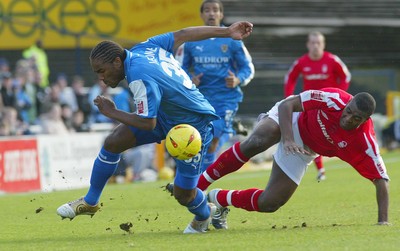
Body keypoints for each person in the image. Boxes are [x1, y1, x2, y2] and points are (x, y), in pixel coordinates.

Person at [56, 21, 254, 234]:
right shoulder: (145, 46)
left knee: (183, 194)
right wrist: (227, 31)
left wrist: (112, 112)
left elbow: (147, 123)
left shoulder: (139, 77)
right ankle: (90, 201)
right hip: (166, 115)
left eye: (102, 71)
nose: (101, 78)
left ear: (116, 61)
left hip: (194, 125)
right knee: (113, 142)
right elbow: (183, 33)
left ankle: (207, 213)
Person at [197, 88, 390, 228]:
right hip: (293, 117)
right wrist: (288, 139)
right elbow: (288, 105)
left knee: (270, 203)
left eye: (356, 118)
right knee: (259, 140)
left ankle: (219, 198)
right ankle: (197, 186)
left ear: (365, 121)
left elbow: (381, 180)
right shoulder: (334, 99)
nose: (348, 118)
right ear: (347, 104)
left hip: (305, 148)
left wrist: (383, 221)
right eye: (348, 111)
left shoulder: (365, 141)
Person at [176, 0, 254, 171]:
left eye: (215, 10)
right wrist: (189, 79)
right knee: (200, 141)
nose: (211, 13)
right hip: (200, 99)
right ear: (202, 15)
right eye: (207, 10)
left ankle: (198, 185)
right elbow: (177, 68)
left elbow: (248, 68)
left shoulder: (233, 41)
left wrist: (238, 80)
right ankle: (230, 129)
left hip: (226, 98)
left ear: (221, 14)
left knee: (211, 141)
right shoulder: (190, 41)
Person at [284, 31, 351, 181]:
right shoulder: (301, 62)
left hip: (330, 106)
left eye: (318, 43)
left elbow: (346, 76)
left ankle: (351, 157)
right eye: (312, 43)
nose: (315, 46)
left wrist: (340, 95)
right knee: (313, 135)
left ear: (323, 44)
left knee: (336, 133)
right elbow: (290, 78)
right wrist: (289, 97)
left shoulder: (332, 60)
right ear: (308, 44)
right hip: (310, 105)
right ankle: (320, 169)